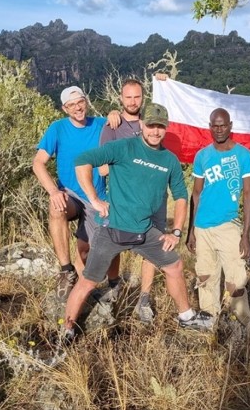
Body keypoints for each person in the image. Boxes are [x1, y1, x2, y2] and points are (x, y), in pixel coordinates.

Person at [63, 103, 213, 337]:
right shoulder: (123, 147)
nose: (155, 131)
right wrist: (93, 199)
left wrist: (175, 232)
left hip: (145, 232)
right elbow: (83, 161)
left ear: (166, 128)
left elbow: (181, 196)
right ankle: (67, 330)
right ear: (142, 124)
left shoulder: (169, 160)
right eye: (151, 125)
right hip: (112, 229)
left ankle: (185, 316)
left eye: (160, 127)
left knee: (175, 265)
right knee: (88, 281)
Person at [33, 86, 117, 300]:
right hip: (69, 195)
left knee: (87, 253)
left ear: (86, 101)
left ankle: (96, 287)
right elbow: (38, 163)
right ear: (64, 108)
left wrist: (115, 114)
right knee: (56, 208)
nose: (77, 108)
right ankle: (65, 271)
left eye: (80, 102)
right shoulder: (58, 128)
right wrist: (53, 191)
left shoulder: (100, 124)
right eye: (71, 105)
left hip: (95, 197)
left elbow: (127, 125)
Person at [98, 78, 165, 323]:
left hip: (152, 199)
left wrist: (166, 81)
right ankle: (114, 286)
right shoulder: (112, 127)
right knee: (114, 244)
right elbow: (103, 168)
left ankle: (144, 300)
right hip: (121, 199)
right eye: (128, 97)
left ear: (143, 98)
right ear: (121, 99)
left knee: (151, 250)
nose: (133, 101)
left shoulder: (153, 123)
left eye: (137, 97)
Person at [187, 108, 250, 331]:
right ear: (209, 127)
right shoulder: (202, 156)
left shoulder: (243, 155)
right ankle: (209, 327)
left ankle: (244, 333)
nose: (219, 130)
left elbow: (248, 194)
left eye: (223, 125)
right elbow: (196, 194)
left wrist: (245, 235)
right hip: (202, 227)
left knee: (236, 283)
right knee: (206, 279)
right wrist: (191, 232)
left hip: (229, 226)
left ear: (230, 125)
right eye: (214, 126)